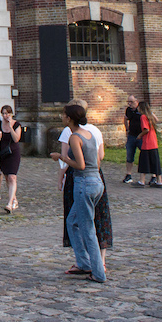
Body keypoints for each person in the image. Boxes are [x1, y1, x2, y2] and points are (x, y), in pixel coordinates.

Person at [49, 103, 106, 283]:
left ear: (70, 118)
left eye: (64, 114)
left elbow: (80, 165)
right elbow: (96, 162)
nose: (62, 117)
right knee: (72, 221)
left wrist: (61, 157)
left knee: (88, 229)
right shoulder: (89, 134)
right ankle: (83, 263)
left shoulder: (75, 137)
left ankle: (98, 272)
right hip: (96, 181)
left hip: (84, 183)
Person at [0, 105, 23, 212]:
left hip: (13, 153)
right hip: (3, 153)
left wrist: (10, 127)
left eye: (7, 113)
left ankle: (9, 203)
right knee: (7, 178)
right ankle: (14, 200)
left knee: (12, 177)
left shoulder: (17, 125)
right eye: (3, 113)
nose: (5, 116)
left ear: (11, 114)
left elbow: (16, 139)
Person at [135, 100, 162, 187]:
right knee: (155, 162)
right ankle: (159, 181)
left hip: (147, 143)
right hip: (154, 143)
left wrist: (139, 135)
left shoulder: (143, 117)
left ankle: (142, 181)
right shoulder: (150, 117)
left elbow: (146, 129)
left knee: (144, 162)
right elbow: (157, 119)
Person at [122, 95, 142, 184]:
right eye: (128, 102)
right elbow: (125, 118)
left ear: (136, 101)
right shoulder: (128, 110)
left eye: (131, 102)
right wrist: (127, 129)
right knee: (129, 155)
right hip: (132, 135)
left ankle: (152, 175)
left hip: (141, 136)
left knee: (146, 155)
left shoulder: (141, 109)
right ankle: (128, 174)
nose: (130, 104)